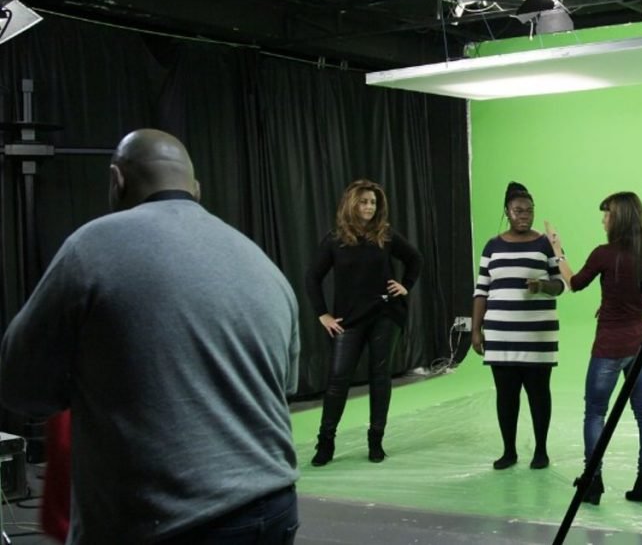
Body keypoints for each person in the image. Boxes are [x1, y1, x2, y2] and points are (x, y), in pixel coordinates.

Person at [0, 129, 301, 544]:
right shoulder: (261, 262)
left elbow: (19, 386)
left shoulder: (92, 247)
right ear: (196, 189)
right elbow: (283, 387)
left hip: (166, 521)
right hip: (273, 509)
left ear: (116, 180)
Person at [546, 191, 642, 505]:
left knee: (595, 413)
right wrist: (624, 303)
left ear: (620, 218)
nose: (603, 220)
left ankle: (592, 482)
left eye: (607, 214)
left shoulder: (604, 253)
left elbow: (573, 283)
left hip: (610, 346)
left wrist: (557, 249)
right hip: (641, 344)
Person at [305, 179, 422, 466]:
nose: (369, 207)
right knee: (337, 379)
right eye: (364, 201)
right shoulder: (335, 239)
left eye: (373, 202)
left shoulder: (385, 235)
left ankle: (376, 441)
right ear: (351, 204)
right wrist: (323, 314)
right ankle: (326, 442)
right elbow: (312, 277)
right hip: (349, 319)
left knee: (380, 378)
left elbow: (415, 259)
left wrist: (405, 285)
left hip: (386, 314)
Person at [472, 181, 564, 470]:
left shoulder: (545, 243)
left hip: (537, 334)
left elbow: (561, 284)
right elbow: (481, 290)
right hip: (500, 334)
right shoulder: (492, 245)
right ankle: (509, 451)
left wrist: (542, 285)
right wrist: (476, 330)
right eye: (518, 210)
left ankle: (541, 451)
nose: (524, 215)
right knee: (506, 396)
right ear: (507, 212)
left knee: (539, 394)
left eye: (529, 210)